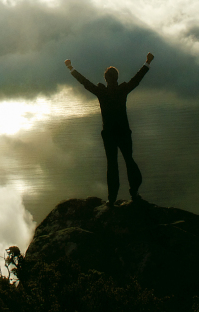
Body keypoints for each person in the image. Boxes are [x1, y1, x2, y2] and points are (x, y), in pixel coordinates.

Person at [64, 52, 154, 204]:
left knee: (112, 165)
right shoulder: (122, 90)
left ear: (105, 79)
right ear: (117, 78)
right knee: (129, 161)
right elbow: (137, 79)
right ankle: (134, 193)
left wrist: (70, 68)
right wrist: (147, 62)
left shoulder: (101, 92)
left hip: (109, 135)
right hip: (124, 133)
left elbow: (84, 82)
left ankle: (112, 199)